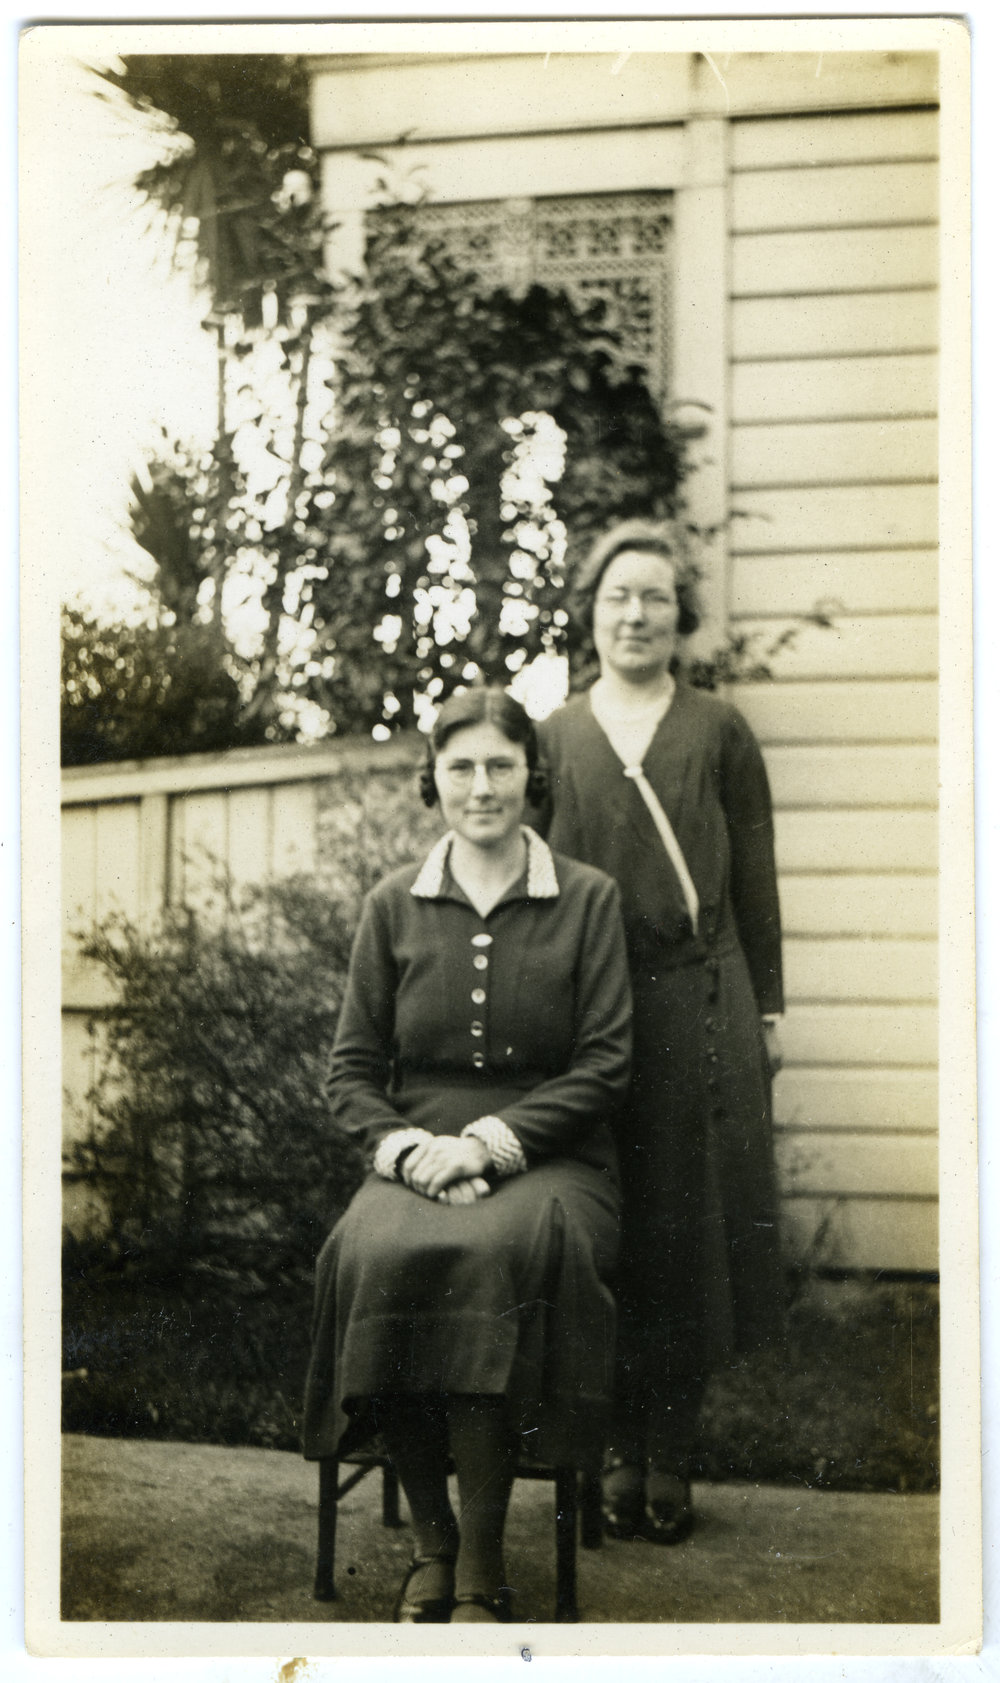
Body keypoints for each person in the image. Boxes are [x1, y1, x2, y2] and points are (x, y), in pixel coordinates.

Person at [302, 687, 631, 1623]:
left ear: (533, 777)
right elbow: (352, 1072)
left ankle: (483, 1558)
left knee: (488, 1255)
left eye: (500, 766)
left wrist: (491, 1140)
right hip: (416, 1153)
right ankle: (431, 1546)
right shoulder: (393, 906)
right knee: (385, 1252)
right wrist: (410, 1152)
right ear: (433, 780)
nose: (481, 787)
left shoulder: (588, 900)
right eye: (461, 768)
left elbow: (607, 1064)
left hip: (555, 1154)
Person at [536, 518, 786, 1546]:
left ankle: (669, 1456)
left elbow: (756, 882)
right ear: (590, 614)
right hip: (591, 1012)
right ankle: (607, 1453)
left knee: (686, 1237)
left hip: (700, 1006)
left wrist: (766, 1008)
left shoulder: (718, 730)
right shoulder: (552, 737)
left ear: (679, 616)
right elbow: (536, 887)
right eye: (614, 598)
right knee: (607, 1234)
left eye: (652, 598)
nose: (633, 615)